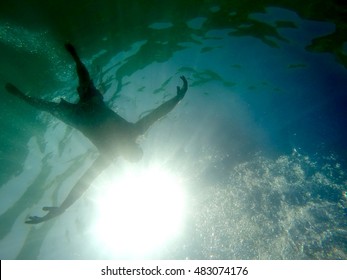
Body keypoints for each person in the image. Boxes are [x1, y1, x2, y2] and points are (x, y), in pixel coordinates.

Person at [5, 43, 188, 224]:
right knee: (85, 81)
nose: (128, 149)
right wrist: (177, 99)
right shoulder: (135, 131)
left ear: (124, 155)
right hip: (93, 105)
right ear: (136, 144)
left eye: (128, 154)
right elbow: (157, 114)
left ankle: (22, 96)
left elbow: (84, 183)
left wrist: (63, 208)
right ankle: (75, 57)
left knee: (47, 107)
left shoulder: (109, 155)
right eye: (133, 149)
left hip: (78, 118)